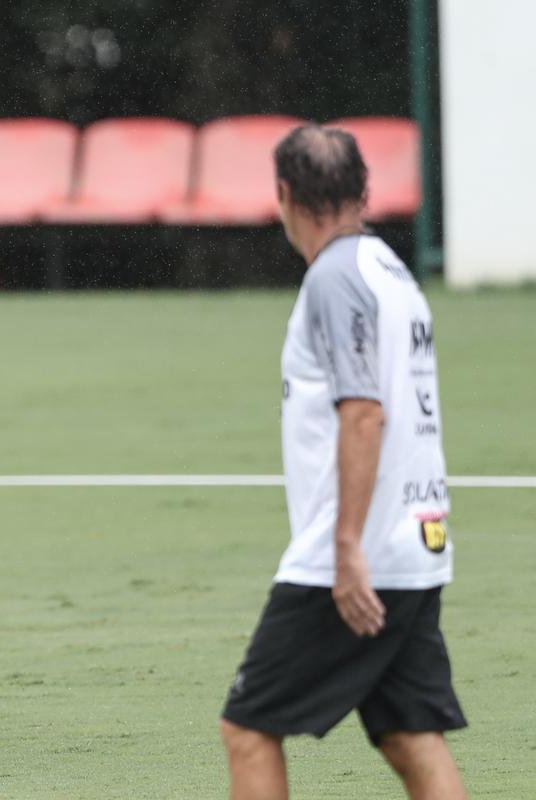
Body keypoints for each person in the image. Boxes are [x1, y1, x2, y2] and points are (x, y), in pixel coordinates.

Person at [219, 125, 467, 799]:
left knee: (247, 728)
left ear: (284, 195)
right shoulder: (393, 273)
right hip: (419, 540)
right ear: (364, 192)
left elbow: (363, 412)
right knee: (410, 734)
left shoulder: (334, 279)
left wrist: (347, 546)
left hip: (360, 555)